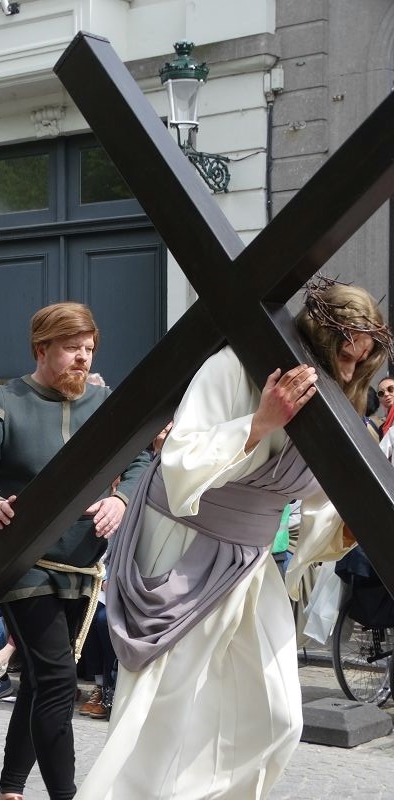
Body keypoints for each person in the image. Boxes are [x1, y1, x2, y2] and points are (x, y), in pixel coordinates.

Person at [74, 280, 391, 800]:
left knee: (278, 715)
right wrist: (259, 423)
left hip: (252, 559)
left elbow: (318, 501)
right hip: (184, 541)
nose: (351, 371)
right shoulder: (231, 368)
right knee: (163, 708)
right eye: (344, 355)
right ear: (318, 337)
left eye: (363, 362)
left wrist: (348, 527)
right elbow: (180, 460)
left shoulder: (334, 406)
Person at [0, 301, 149, 800]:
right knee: (59, 681)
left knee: (41, 682)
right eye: (71, 348)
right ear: (41, 349)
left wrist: (121, 499)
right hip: (24, 564)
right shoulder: (3, 403)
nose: (83, 357)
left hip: (83, 564)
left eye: (88, 349)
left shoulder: (103, 403)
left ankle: (10, 790)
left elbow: (141, 459)